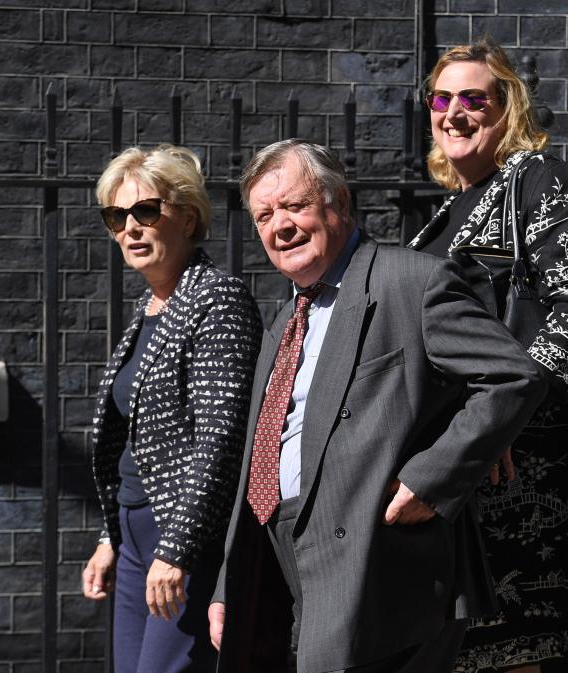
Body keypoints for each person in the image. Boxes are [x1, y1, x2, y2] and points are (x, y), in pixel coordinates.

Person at [207, 139, 549, 673]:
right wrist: (231, 580)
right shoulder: (284, 323)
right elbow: (262, 453)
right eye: (265, 216)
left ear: (338, 204)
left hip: (381, 566)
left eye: (295, 206)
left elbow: (511, 376)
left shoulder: (410, 281)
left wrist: (432, 481)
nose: (280, 227)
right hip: (285, 563)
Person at [407, 40, 568, 673]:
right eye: (442, 99)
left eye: (475, 98)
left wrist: (503, 419)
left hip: (524, 468)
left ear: (509, 108)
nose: (454, 113)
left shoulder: (534, 180)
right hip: (466, 466)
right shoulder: (443, 213)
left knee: (518, 649)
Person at [81, 144, 262, 673]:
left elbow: (220, 439)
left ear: (186, 216)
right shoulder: (149, 309)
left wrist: (178, 548)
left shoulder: (218, 300)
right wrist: (109, 538)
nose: (130, 228)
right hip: (135, 536)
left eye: (145, 211)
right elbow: (133, 439)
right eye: (117, 216)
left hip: (182, 535)